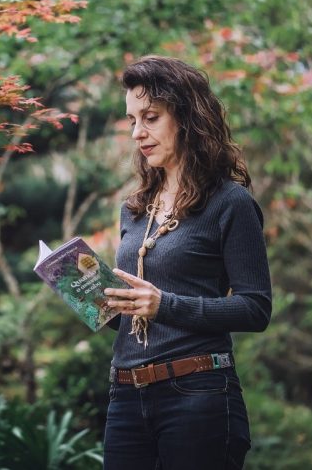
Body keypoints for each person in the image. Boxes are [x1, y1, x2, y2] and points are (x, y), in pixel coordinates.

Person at [102, 55, 272, 469]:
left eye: (151, 118)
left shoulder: (230, 203)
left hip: (197, 394)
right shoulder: (134, 209)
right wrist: (99, 303)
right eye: (132, 120)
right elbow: (136, 316)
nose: (138, 133)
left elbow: (255, 308)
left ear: (187, 118)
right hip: (125, 397)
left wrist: (164, 305)